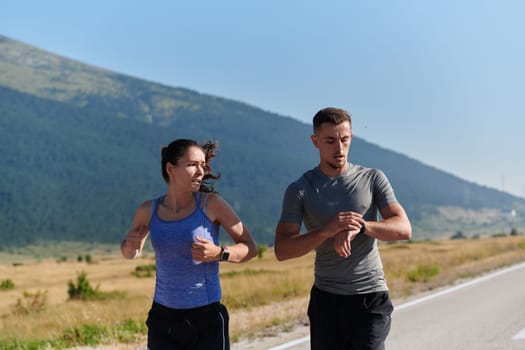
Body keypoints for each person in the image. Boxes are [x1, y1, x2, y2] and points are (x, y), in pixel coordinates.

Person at [274, 107, 412, 350]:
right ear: (315, 141)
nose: (339, 148)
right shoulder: (300, 189)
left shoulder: (372, 178)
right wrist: (327, 231)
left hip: (370, 296)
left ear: (351, 137)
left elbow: (403, 228)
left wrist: (361, 226)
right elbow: (283, 249)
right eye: (330, 141)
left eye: (344, 139)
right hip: (327, 300)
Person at [121, 138, 258, 350]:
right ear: (170, 168)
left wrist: (220, 253)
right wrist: (130, 245)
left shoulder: (211, 204)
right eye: (193, 165)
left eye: (203, 165)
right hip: (162, 318)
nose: (200, 172)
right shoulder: (148, 210)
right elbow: (129, 253)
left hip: (206, 318)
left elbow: (250, 247)